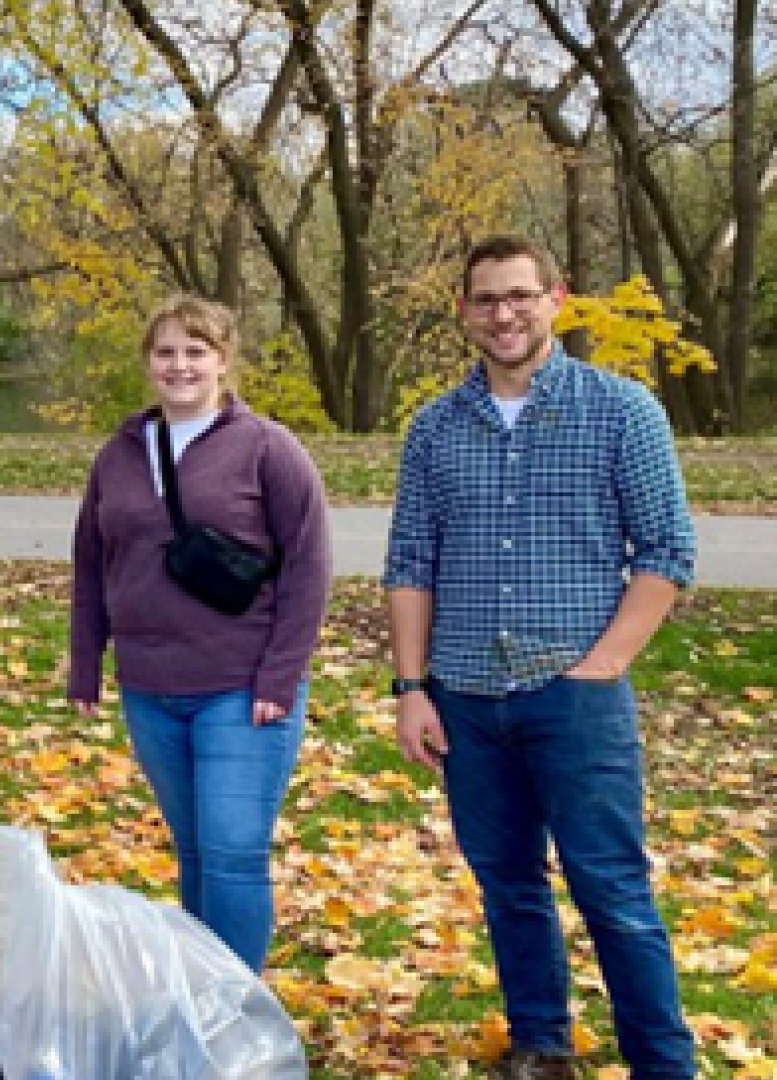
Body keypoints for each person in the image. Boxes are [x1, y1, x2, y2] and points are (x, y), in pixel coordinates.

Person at [384, 235, 697, 1080]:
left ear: (555, 297)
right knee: (509, 886)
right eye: (486, 299)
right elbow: (411, 561)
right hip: (465, 698)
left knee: (613, 893)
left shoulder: (621, 410)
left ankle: (663, 1063)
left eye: (519, 295)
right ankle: (541, 1046)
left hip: (575, 696)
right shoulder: (434, 429)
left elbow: (667, 553)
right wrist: (412, 688)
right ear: (464, 311)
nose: (504, 313)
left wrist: (601, 667)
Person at [66, 295, 330, 974]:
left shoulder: (268, 448)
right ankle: (202, 996)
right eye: (165, 352)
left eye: (195, 351)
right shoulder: (118, 455)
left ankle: (238, 1013)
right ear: (148, 363)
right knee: (194, 851)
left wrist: (279, 675)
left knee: (233, 850)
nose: (179, 365)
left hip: (242, 689)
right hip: (152, 687)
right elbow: (93, 561)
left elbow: (308, 564)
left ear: (222, 360)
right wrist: (85, 665)